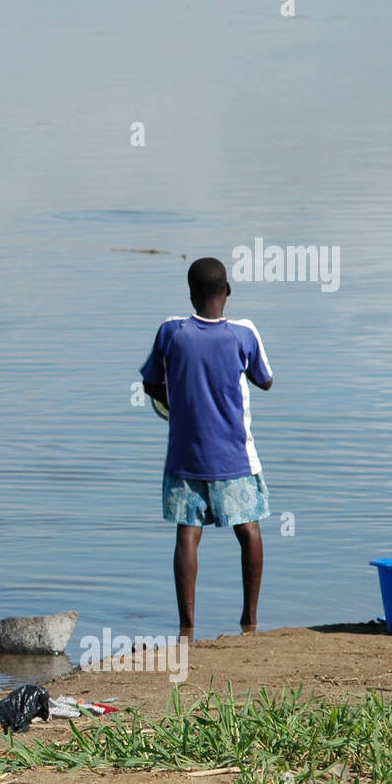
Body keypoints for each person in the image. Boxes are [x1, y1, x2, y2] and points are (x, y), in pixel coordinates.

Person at [140, 257, 273, 635]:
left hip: (185, 457)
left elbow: (151, 383)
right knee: (248, 530)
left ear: (190, 293)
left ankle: (187, 628)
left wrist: (177, 397)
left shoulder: (171, 332)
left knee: (187, 533)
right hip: (235, 456)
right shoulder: (243, 334)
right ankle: (249, 619)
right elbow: (264, 380)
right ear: (227, 291)